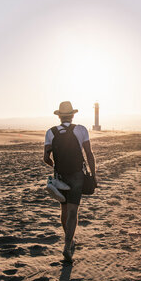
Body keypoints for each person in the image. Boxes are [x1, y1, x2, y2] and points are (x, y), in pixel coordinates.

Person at [43, 101, 96, 262]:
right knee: (73, 212)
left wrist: (56, 167)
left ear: (59, 116)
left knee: (64, 211)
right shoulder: (81, 130)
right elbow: (89, 153)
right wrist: (93, 174)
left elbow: (46, 158)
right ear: (73, 115)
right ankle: (67, 246)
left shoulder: (50, 132)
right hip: (77, 174)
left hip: (61, 176)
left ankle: (69, 240)